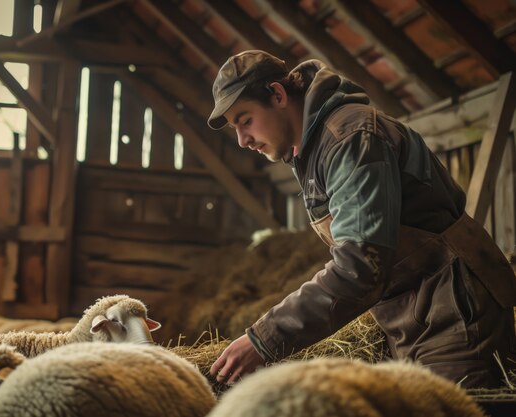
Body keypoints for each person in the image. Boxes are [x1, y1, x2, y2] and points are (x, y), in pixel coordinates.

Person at [206, 50, 516, 388]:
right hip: (416, 314)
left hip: (456, 313)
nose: (242, 140)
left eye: (245, 120)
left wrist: (264, 338)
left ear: (278, 95)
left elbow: (360, 267)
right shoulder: (313, 149)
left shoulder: (350, 137)